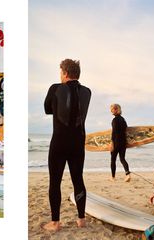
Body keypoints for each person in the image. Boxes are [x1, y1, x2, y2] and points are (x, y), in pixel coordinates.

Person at [43, 59, 91, 231]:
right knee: (78, 180)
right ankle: (81, 219)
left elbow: (48, 109)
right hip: (78, 143)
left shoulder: (55, 88)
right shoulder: (87, 92)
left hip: (59, 142)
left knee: (55, 182)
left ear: (64, 72)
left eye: (60, 72)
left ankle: (55, 222)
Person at [109, 104, 131, 182]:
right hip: (123, 142)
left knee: (113, 160)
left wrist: (112, 143)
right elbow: (126, 130)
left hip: (116, 142)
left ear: (116, 109)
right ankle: (128, 174)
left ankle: (113, 177)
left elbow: (114, 132)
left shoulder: (114, 120)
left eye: (112, 109)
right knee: (122, 159)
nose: (111, 111)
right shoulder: (123, 119)